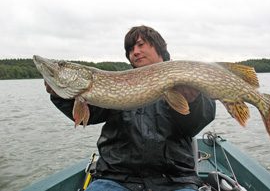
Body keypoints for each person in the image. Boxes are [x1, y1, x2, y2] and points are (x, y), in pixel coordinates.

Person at [45, 25, 216, 191]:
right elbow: (90, 115)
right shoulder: (117, 83)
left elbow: (195, 124)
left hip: (175, 179)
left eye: (140, 45)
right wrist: (61, 95)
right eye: (130, 49)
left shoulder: (182, 75)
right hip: (115, 178)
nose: (135, 52)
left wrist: (194, 101)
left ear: (159, 48)